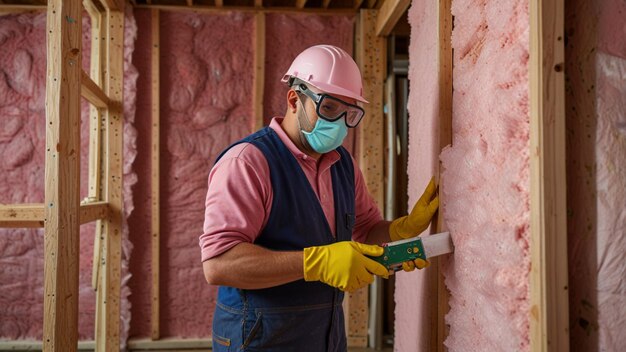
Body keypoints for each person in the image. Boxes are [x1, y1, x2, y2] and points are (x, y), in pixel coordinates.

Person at [200, 44, 439, 351]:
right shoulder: (248, 163)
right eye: (328, 108)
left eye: (349, 112)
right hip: (259, 337)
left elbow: (366, 228)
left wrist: (401, 231)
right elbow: (219, 264)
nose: (339, 123)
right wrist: (317, 263)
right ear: (294, 99)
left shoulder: (343, 164)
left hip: (323, 334)